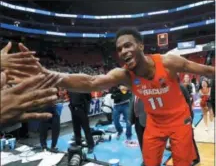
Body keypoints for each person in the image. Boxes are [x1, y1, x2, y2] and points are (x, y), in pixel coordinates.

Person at [13, 28, 215, 166]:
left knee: (182, 163)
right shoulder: (125, 74)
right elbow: (91, 82)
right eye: (119, 49)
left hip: (179, 120)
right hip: (154, 123)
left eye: (128, 45)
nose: (124, 51)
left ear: (141, 46)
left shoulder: (169, 62)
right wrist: (49, 76)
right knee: (150, 163)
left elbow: (206, 69)